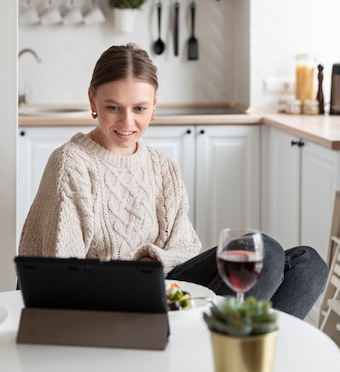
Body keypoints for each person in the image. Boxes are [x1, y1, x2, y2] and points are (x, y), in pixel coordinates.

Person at [19, 43, 328, 319]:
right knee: (267, 251)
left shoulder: (162, 166)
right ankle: (218, 350)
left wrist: (150, 258)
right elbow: (60, 274)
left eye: (139, 108)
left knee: (309, 266)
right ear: (92, 100)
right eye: (113, 107)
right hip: (113, 301)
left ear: (154, 106)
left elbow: (186, 248)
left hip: (165, 285)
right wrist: (134, 269)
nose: (128, 122)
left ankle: (247, 355)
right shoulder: (71, 163)